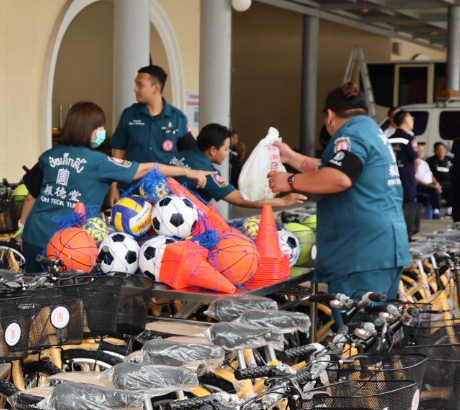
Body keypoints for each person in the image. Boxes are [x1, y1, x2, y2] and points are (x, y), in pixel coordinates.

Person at [19, 101, 210, 273]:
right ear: (89, 130)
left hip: (34, 237)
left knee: (34, 292)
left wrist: (21, 229)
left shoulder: (49, 155)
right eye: (100, 126)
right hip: (71, 245)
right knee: (64, 295)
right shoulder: (99, 162)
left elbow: (30, 196)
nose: (103, 131)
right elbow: (146, 168)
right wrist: (187, 172)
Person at [267, 82, 409, 299]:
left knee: (358, 320)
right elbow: (336, 168)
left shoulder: (351, 135)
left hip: (361, 253)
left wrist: (290, 180)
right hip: (384, 248)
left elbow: (339, 177)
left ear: (330, 115)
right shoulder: (371, 131)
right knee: (379, 318)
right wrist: (291, 157)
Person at [169, 125, 304, 210]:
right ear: (213, 150)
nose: (228, 153)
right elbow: (241, 199)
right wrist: (282, 201)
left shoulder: (179, 154)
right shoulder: (208, 174)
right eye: (226, 149)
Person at [109, 64, 188, 165]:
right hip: (135, 175)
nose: (135, 89)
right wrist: (115, 173)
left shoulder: (178, 118)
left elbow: (187, 154)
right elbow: (119, 151)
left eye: (140, 85)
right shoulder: (129, 115)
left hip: (166, 175)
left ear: (156, 88)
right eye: (136, 84)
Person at [386, 109, 422, 236]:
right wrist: (415, 174)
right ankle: (407, 234)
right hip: (407, 176)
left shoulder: (389, 138)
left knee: (394, 204)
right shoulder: (408, 138)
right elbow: (416, 160)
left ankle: (394, 232)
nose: (412, 121)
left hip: (392, 176)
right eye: (411, 118)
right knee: (408, 204)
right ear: (406, 120)